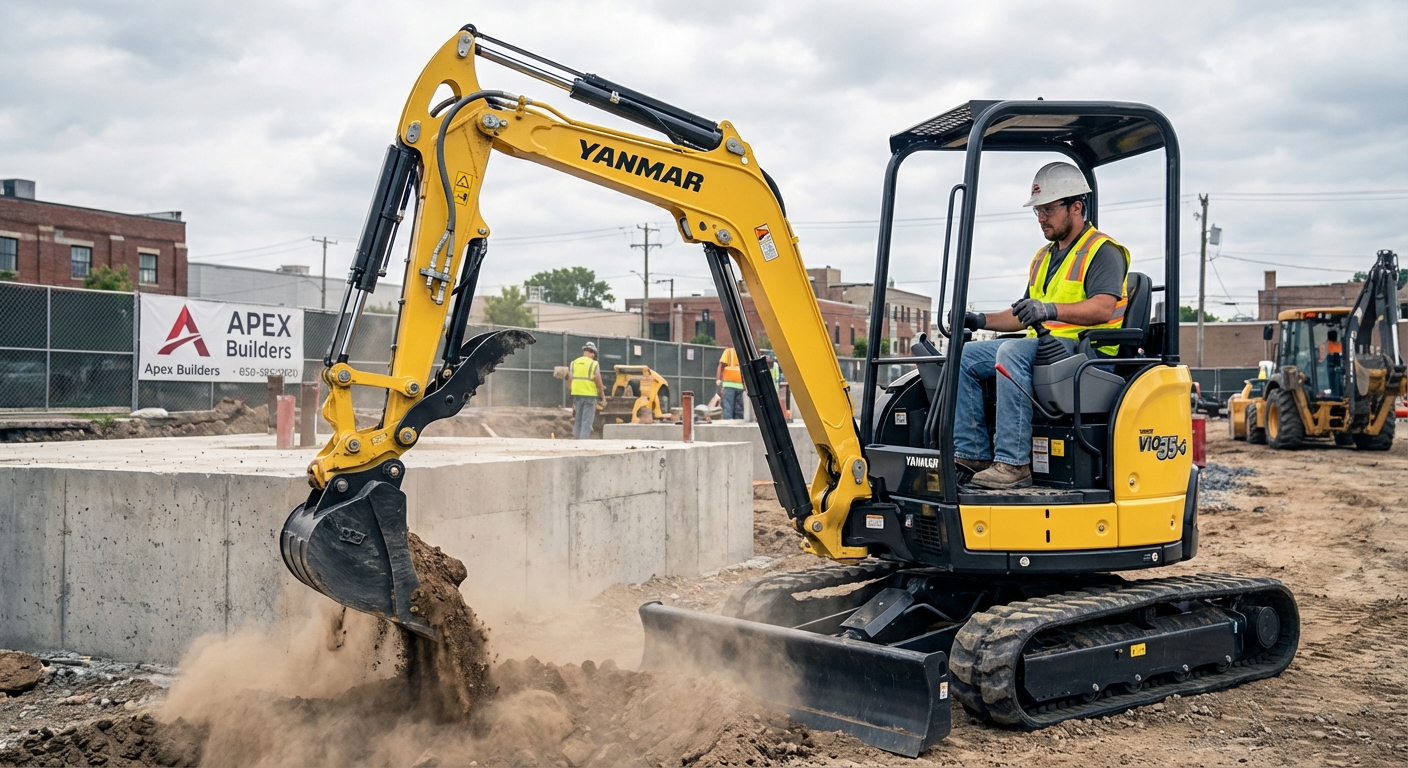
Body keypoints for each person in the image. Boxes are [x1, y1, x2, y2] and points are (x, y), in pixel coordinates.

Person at [955, 162, 1130, 489]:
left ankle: (1012, 463)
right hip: (1046, 347)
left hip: (1087, 353)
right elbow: (1022, 313)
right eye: (1037, 211)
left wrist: (1048, 308)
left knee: (1012, 352)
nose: (1041, 218)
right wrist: (980, 319)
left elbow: (1103, 308)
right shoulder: (1043, 257)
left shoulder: (1102, 251)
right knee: (965, 355)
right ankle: (973, 451)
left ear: (1075, 207)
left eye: (1048, 209)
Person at [569, 341, 606, 439]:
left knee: (578, 418)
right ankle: (583, 441)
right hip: (589, 395)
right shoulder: (594, 364)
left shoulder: (574, 363)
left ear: (584, 351)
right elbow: (598, 379)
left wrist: (572, 392)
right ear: (593, 353)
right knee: (587, 420)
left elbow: (570, 379)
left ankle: (576, 438)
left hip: (577, 393)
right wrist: (603, 396)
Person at [716, 346, 746, 420]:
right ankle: (736, 425)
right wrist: (718, 378)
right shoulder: (742, 352)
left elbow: (721, 365)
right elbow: (721, 365)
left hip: (732, 384)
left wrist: (718, 379)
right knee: (738, 408)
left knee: (729, 407)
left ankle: (730, 425)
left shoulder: (729, 352)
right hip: (738, 385)